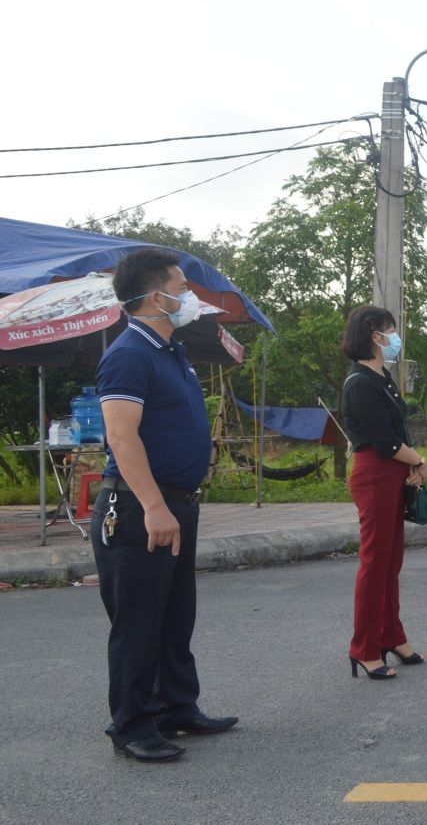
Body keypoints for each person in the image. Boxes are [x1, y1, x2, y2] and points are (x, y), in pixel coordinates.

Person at [92, 248, 237, 762]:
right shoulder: (129, 352)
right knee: (138, 621)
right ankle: (132, 725)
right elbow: (122, 437)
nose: (189, 296)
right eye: (182, 287)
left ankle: (177, 707)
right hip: (138, 508)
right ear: (157, 296)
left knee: (175, 615)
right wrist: (154, 506)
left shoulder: (170, 350)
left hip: (176, 504)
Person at [339, 305, 427, 680]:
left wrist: (412, 464)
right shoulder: (359, 382)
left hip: (394, 472)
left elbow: (398, 435)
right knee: (375, 562)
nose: (395, 338)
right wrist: (419, 460)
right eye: (391, 331)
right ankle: (363, 647)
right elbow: (384, 442)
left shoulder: (382, 377)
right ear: (375, 335)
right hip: (375, 473)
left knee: (392, 562)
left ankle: (391, 635)